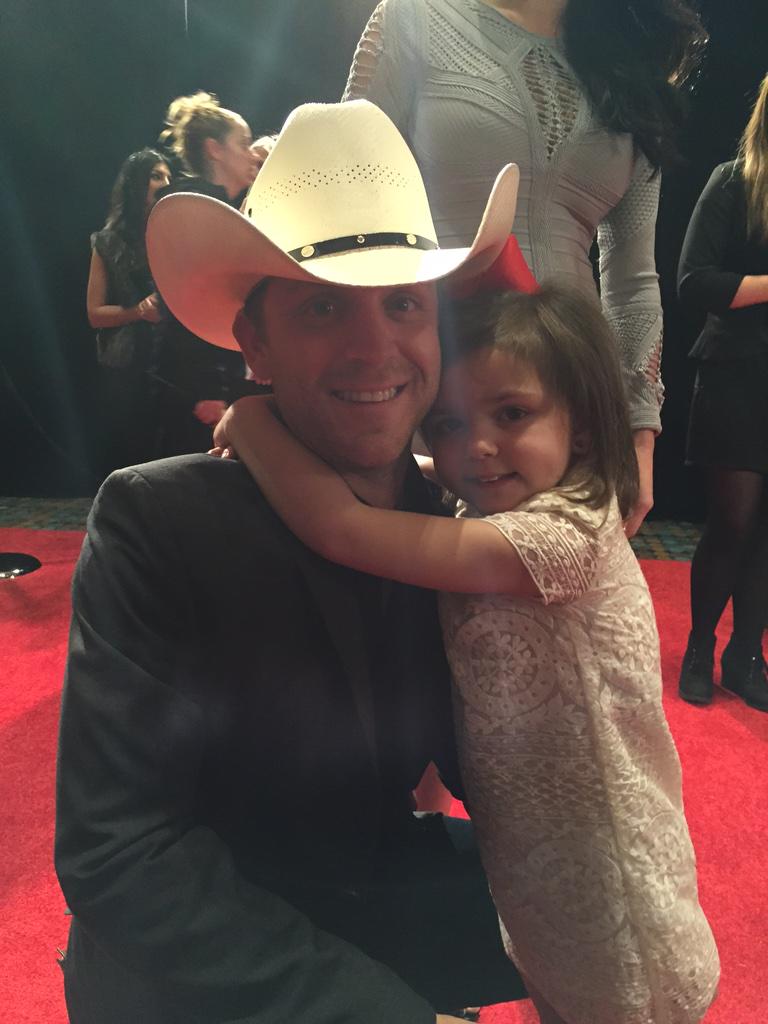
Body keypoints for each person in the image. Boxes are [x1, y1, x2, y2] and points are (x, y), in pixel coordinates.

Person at [55, 99, 528, 1024]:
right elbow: (121, 853)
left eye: (403, 304)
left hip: (371, 885)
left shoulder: (449, 520)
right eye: (323, 306)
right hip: (201, 955)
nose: (375, 346)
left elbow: (496, 769)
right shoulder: (157, 520)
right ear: (255, 343)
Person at [212, 280, 720, 1024]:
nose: (476, 447)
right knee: (556, 992)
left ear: (581, 428)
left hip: (610, 876)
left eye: (511, 414)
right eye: (447, 425)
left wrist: (253, 420)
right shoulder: (489, 504)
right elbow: (418, 474)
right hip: (532, 858)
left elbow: (341, 528)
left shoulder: (562, 538)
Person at [344, 0, 708, 540]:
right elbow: (345, 207)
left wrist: (638, 436)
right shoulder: (414, 17)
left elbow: (632, 280)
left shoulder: (631, 62)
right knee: (409, 571)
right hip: (437, 382)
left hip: (573, 397)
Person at [676, 73, 768, 712]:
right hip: (736, 370)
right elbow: (693, 282)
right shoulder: (732, 182)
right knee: (733, 522)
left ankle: (746, 656)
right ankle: (700, 646)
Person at [151, 91, 261, 456]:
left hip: (217, 380)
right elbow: (189, 304)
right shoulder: (192, 208)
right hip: (197, 387)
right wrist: (206, 389)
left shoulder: (223, 207)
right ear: (215, 149)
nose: (251, 154)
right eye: (243, 143)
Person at [86, 148, 171, 475]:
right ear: (136, 183)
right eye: (156, 176)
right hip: (127, 364)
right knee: (133, 451)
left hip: (171, 359)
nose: (165, 183)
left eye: (168, 176)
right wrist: (137, 311)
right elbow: (95, 313)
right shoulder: (108, 242)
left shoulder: (172, 232)